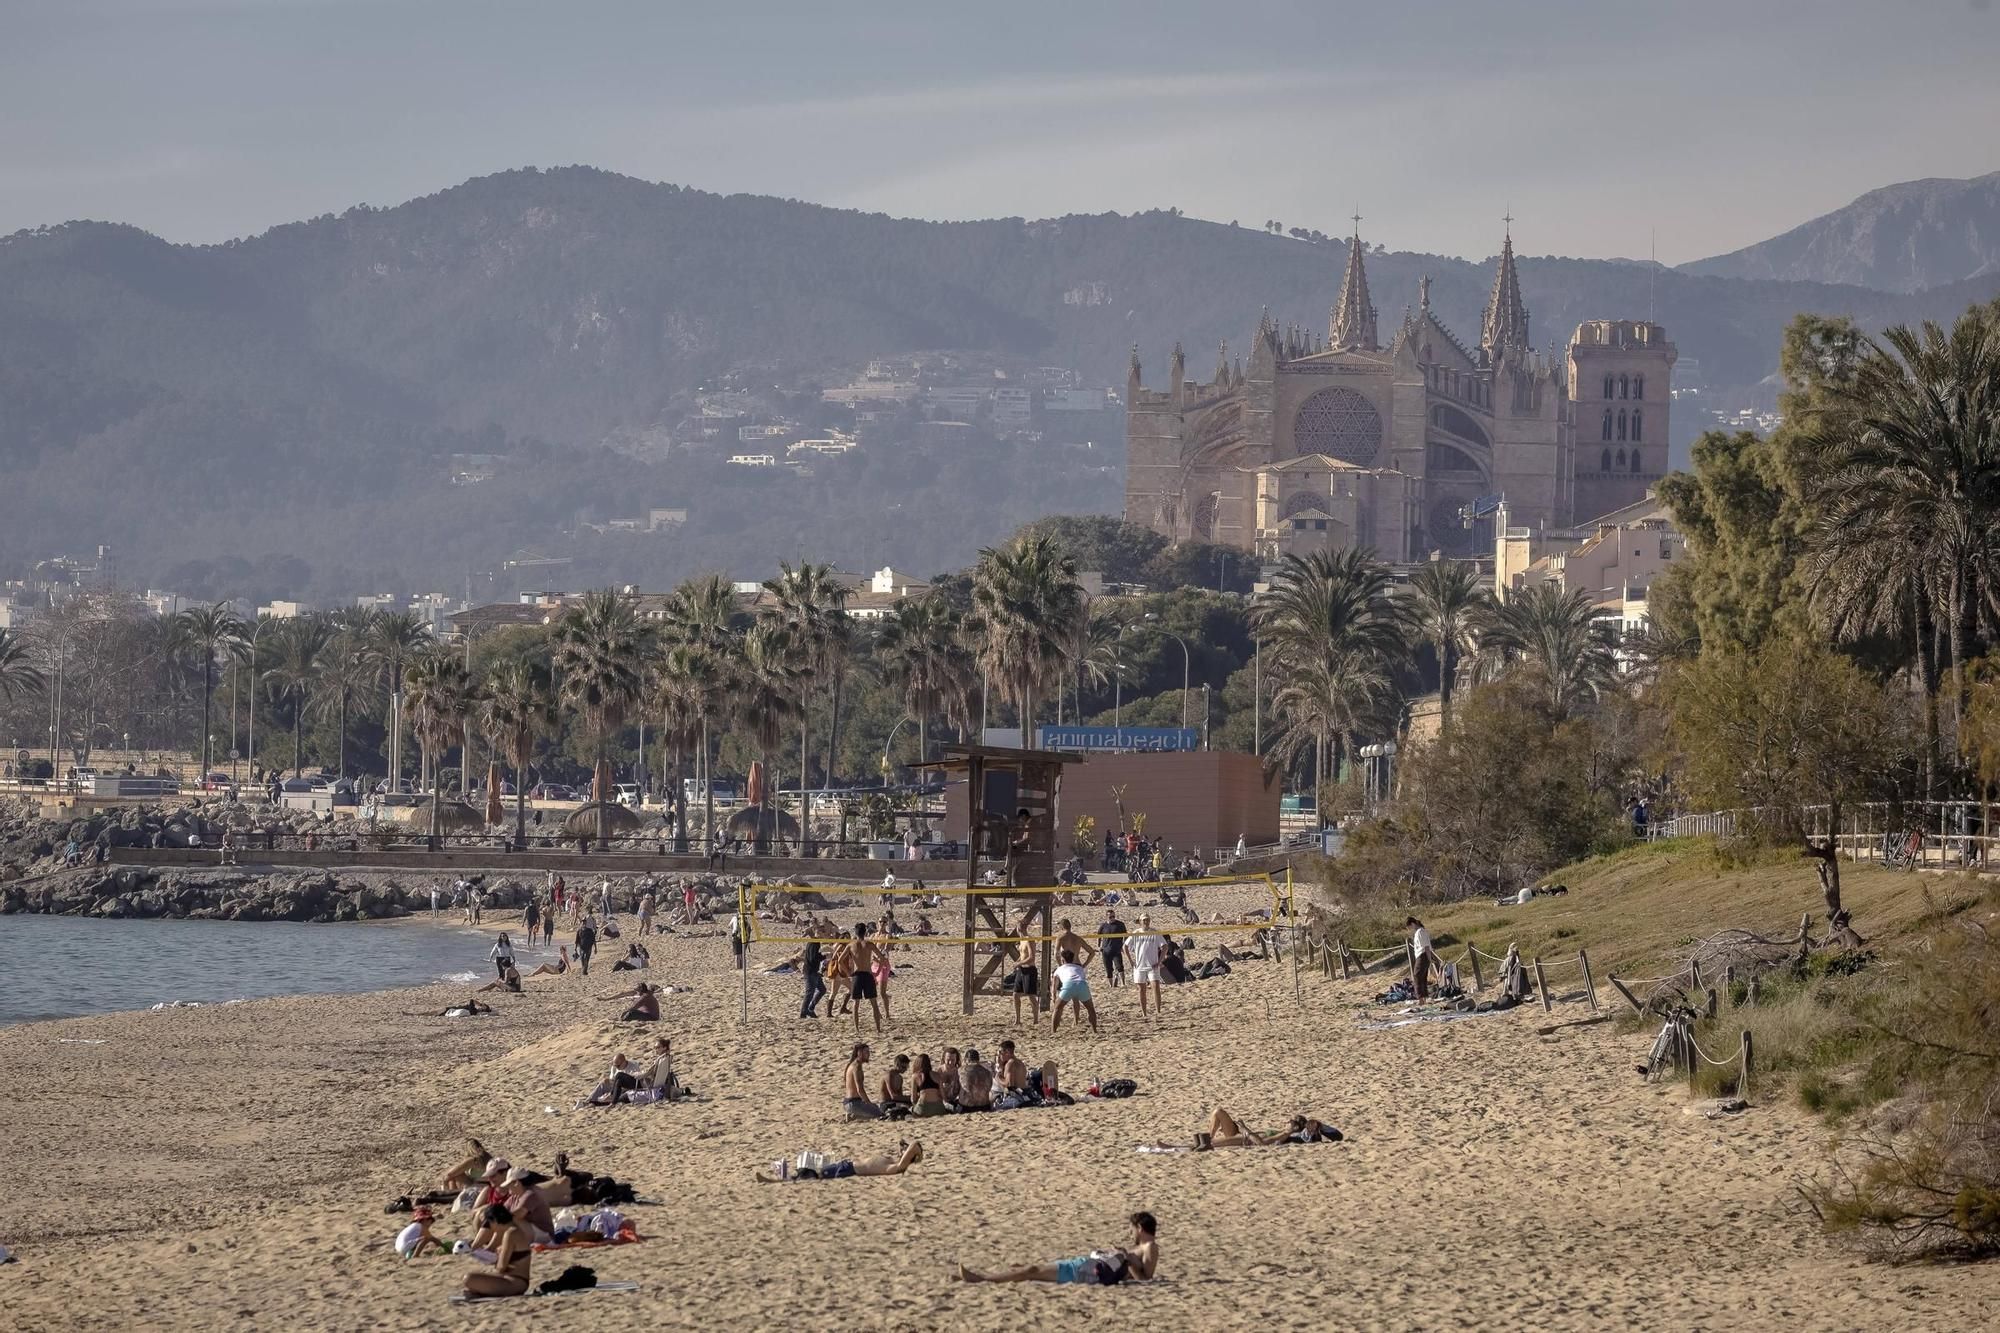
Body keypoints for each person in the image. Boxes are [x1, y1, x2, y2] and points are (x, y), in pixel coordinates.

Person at [954, 1211, 1159, 1286]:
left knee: (1032, 1271)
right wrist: (1121, 1254)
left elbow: (1145, 1280)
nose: (1130, 1233)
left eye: (1132, 1229)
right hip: (1091, 1265)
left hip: (1091, 1273)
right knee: (1032, 1269)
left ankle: (982, 1279)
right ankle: (992, 1275)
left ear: (1140, 1228)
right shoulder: (1141, 1246)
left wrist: (1126, 1259)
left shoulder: (1150, 1247)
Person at [756, 1140, 923, 1183]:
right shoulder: (893, 1165)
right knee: (808, 1172)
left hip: (846, 1167)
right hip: (846, 1167)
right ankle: (779, 1177)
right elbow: (907, 1155)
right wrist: (913, 1151)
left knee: (807, 1174)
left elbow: (906, 1157)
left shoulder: (892, 1165)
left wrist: (913, 1151)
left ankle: (777, 1179)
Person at [462, 1203, 532, 1300]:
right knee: (475, 1279)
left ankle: (482, 1292)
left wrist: (495, 1258)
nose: (490, 1228)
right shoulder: (514, 1230)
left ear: (494, 1221)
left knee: (468, 1278)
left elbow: (501, 1267)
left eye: (489, 1224)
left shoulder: (510, 1233)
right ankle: (481, 1293)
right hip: (516, 1280)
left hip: (515, 1282)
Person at [1051, 949, 1099, 1034]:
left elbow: (1054, 985)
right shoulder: (1079, 967)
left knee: (1057, 1008)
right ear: (1073, 959)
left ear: (1062, 960)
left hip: (1069, 985)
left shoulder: (1059, 969)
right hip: (1082, 984)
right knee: (1090, 1009)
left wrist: (1054, 996)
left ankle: (1053, 1031)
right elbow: (1082, 977)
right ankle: (1094, 1030)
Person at [1125, 914, 1165, 1016]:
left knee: (1155, 987)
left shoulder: (1154, 932)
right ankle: (1144, 1013)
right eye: (1144, 920)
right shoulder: (1136, 933)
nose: (1146, 922)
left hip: (1153, 965)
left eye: (1147, 920)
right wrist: (1130, 961)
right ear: (1140, 921)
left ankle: (1158, 1011)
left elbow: (1165, 946)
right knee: (1141, 990)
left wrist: (1160, 961)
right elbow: (1125, 946)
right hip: (1139, 966)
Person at [848, 923, 883, 1032]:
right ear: (865, 932)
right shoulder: (869, 944)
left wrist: (848, 973)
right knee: (874, 1003)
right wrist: (877, 972)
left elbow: (839, 960)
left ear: (855, 932)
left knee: (856, 1004)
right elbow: (882, 958)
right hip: (868, 974)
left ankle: (857, 1029)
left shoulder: (851, 945)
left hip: (857, 975)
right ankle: (878, 1028)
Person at [843, 1043, 883, 1120]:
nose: (868, 1055)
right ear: (859, 1053)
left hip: (849, 1102)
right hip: (854, 1103)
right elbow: (860, 1089)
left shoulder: (852, 1065)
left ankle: (854, 1115)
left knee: (876, 1107)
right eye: (866, 1052)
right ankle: (855, 1116)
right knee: (879, 1114)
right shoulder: (856, 1067)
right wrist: (868, 1103)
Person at [1011, 930, 1041, 1026]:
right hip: (1021, 970)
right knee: (1015, 994)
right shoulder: (1022, 940)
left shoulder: (1029, 940)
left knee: (1031, 996)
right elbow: (1023, 955)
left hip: (1030, 970)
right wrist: (1017, 962)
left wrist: (1019, 963)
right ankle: (1017, 1020)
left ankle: (1036, 1020)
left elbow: (1031, 957)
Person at [1407, 916, 1440, 1001]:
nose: (1410, 929)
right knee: (1422, 976)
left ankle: (1421, 997)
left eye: (1410, 927)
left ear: (1413, 924)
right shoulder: (1420, 932)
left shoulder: (1420, 932)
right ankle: (1424, 997)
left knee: (1417, 975)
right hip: (1421, 955)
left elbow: (1426, 946)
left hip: (1423, 955)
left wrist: (1429, 958)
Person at [644, 1036, 683, 1101]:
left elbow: (650, 1074)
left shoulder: (661, 1060)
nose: (656, 1050)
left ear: (664, 1048)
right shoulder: (665, 1058)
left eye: (658, 1047)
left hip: (652, 1086)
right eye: (655, 1048)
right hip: (661, 1085)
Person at [800, 930, 827, 1019]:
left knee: (822, 990)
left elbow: (813, 956)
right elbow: (813, 958)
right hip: (810, 971)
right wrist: (824, 956)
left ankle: (810, 1008)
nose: (824, 935)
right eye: (823, 933)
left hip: (814, 971)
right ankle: (804, 1011)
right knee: (810, 992)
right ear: (818, 933)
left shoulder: (815, 942)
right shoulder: (814, 943)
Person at [1098, 908, 1127, 987]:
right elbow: (1099, 936)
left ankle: (1123, 983)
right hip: (1106, 950)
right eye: (1110, 917)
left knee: (1120, 966)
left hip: (1116, 950)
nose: (1112, 918)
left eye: (1113, 916)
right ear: (1106, 917)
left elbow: (1125, 935)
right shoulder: (1103, 926)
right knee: (1108, 969)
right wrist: (1099, 946)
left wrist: (1123, 945)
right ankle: (1111, 985)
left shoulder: (1120, 924)